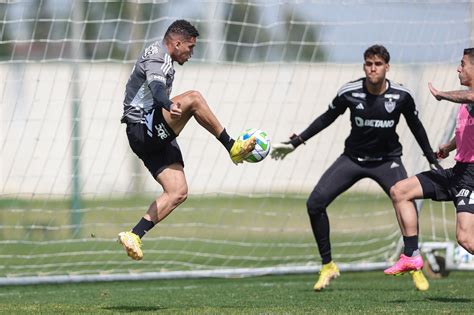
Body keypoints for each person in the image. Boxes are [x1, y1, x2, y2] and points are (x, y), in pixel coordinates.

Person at [271, 44, 438, 291]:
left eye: (378, 64)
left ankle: (413, 262)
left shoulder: (401, 95)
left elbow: (416, 125)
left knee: (406, 201)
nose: (373, 69)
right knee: (315, 203)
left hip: (387, 160)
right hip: (353, 159)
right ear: (364, 66)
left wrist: (430, 157)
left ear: (387, 67)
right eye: (369, 64)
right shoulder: (350, 92)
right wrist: (296, 142)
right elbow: (326, 118)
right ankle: (328, 265)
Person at [118, 20, 256, 260]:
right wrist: (169, 104)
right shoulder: (157, 57)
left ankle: (134, 234)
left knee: (178, 191)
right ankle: (232, 146)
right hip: (141, 126)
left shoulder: (167, 60)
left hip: (152, 132)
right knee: (194, 98)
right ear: (177, 43)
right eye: (190, 48)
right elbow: (158, 90)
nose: (191, 54)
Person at [384, 48, 474, 277]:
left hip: (472, 177)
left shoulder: (469, 97)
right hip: (458, 171)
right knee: (400, 191)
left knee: (465, 238)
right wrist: (449, 146)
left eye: (462, 64)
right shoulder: (466, 102)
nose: (458, 68)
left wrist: (442, 94)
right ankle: (411, 256)